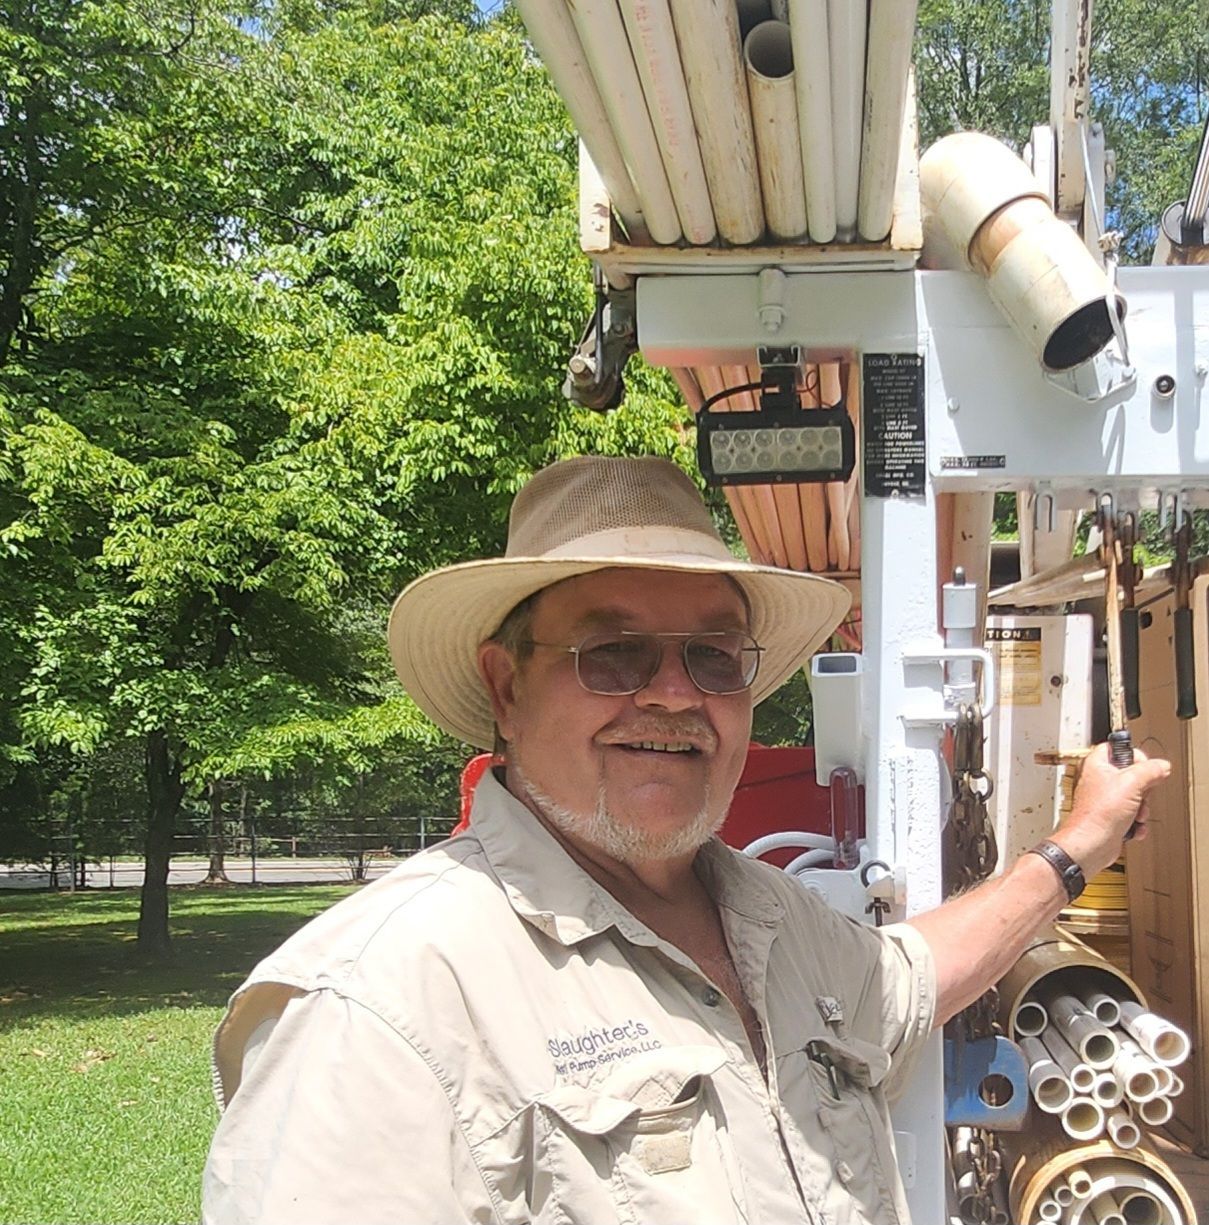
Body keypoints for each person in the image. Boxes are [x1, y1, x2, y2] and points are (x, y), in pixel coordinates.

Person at [202, 455, 1167, 1225]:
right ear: (506, 688)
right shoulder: (379, 1005)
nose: (673, 692)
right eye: (612, 651)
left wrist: (1077, 843)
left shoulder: (771, 915)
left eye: (712, 655)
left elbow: (905, 981)